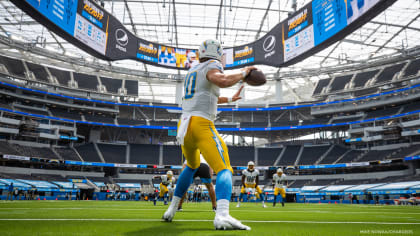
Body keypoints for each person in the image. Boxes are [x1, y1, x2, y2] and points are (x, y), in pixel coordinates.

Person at [162, 39, 256, 230]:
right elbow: (221, 80)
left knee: (191, 165)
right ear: (217, 53)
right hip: (201, 123)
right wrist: (243, 73)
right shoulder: (212, 65)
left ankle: (171, 209)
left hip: (185, 125)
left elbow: (207, 95)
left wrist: (230, 98)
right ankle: (221, 214)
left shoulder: (194, 70)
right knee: (224, 168)